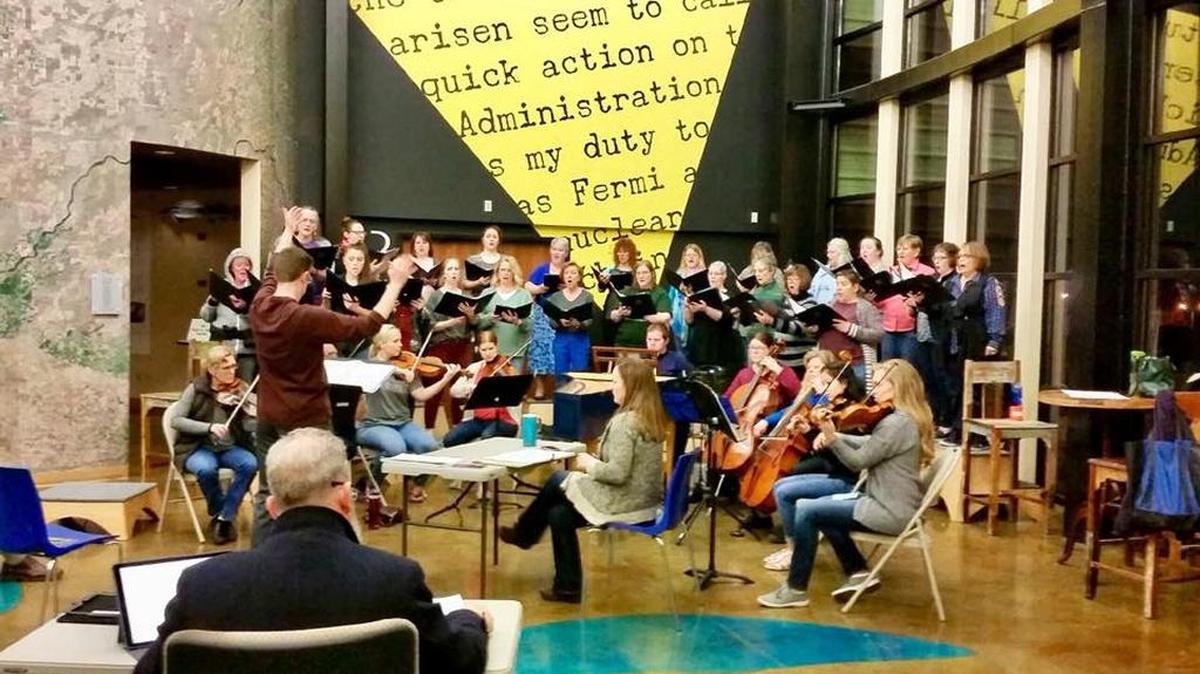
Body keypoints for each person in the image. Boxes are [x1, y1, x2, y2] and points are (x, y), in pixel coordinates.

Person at [132, 428, 490, 674]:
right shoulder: (394, 580)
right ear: (344, 496)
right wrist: (469, 619)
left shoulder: (204, 584)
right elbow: (459, 664)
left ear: (271, 507)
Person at [248, 206, 411, 546]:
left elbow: (271, 269)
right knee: (334, 488)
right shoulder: (305, 316)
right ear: (305, 278)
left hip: (268, 412)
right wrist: (395, 284)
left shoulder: (260, 305)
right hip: (306, 417)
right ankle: (343, 555)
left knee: (268, 490)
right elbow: (367, 325)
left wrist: (287, 232)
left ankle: (262, 558)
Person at [756, 359, 930, 609]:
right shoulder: (900, 419)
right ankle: (857, 570)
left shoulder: (897, 424)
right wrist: (834, 434)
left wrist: (830, 437)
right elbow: (869, 443)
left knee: (807, 509)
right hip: (883, 501)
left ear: (898, 387)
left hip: (889, 511)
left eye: (880, 382)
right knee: (821, 510)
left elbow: (857, 462)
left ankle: (795, 589)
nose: (874, 388)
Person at [498, 360, 668, 603]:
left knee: (558, 478)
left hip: (625, 502)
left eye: (616, 382)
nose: (612, 388)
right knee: (558, 514)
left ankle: (525, 534)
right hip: (644, 502)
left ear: (630, 386)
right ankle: (567, 588)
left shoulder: (626, 422)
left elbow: (617, 473)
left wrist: (590, 463)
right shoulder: (650, 417)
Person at [170, 345, 258, 545]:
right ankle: (221, 511)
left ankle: (224, 518)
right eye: (226, 368)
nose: (232, 372)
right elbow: (176, 420)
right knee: (206, 469)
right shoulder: (197, 388)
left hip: (229, 447)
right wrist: (208, 427)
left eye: (234, 367)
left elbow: (250, 423)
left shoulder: (240, 388)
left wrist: (253, 414)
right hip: (197, 447)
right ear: (212, 369)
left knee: (250, 463)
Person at [356, 325, 459, 459]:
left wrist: (445, 379)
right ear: (381, 344)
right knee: (397, 448)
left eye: (400, 340)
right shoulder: (368, 366)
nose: (401, 345)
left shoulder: (407, 366)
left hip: (403, 423)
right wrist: (396, 370)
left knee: (430, 447)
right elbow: (377, 369)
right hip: (372, 425)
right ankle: (374, 478)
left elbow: (421, 395)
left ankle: (415, 478)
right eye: (395, 341)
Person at [945, 241, 1006, 441]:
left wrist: (994, 340)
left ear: (978, 260)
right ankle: (955, 428)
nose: (961, 260)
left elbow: (996, 311)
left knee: (973, 389)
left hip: (975, 338)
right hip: (953, 338)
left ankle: (975, 435)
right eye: (960, 256)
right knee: (954, 385)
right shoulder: (951, 282)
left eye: (967, 257)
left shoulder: (987, 283)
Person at [419, 258, 477, 429]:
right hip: (440, 345)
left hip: (462, 345)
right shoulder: (436, 296)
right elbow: (429, 326)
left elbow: (474, 324)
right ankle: (429, 429)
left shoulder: (466, 295)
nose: (453, 272)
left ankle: (457, 429)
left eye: (456, 269)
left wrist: (471, 316)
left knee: (459, 389)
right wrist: (452, 322)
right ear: (444, 273)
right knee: (434, 388)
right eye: (450, 269)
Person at [444, 331, 519, 446]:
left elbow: (516, 392)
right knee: (449, 439)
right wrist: (468, 388)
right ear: (477, 350)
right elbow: (453, 391)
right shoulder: (474, 368)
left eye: (491, 349)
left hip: (504, 420)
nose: (488, 353)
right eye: (484, 350)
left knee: (487, 437)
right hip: (478, 420)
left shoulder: (505, 367)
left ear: (496, 347)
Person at [199, 247, 257, 382]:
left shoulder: (256, 289)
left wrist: (246, 308)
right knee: (219, 384)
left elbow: (264, 318)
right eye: (239, 265)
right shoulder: (222, 287)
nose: (243, 268)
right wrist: (213, 301)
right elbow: (205, 316)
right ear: (231, 268)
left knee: (245, 384)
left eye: (247, 265)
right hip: (222, 347)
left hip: (246, 350)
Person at [876, 234, 935, 363]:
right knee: (887, 367)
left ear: (917, 251)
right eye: (898, 249)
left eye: (905, 249)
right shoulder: (890, 272)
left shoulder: (927, 272)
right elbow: (880, 302)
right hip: (888, 328)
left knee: (907, 368)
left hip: (911, 329)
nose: (900, 252)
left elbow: (931, 301)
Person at [818, 271, 882, 382]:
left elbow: (879, 334)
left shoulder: (865, 307)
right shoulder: (831, 303)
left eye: (843, 284)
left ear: (855, 287)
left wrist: (851, 329)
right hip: (829, 362)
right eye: (837, 284)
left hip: (854, 364)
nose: (839, 288)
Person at [684, 261, 741, 382]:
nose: (713, 277)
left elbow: (725, 319)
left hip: (720, 347)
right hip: (700, 346)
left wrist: (705, 309)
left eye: (716, 274)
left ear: (724, 276)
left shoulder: (731, 296)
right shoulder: (700, 294)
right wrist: (687, 306)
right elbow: (689, 321)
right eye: (710, 274)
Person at [755, 263, 818, 372]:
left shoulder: (810, 303)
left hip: (800, 362)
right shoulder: (786, 302)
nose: (791, 282)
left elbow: (800, 328)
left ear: (804, 281)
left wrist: (772, 321)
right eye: (789, 279)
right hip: (781, 361)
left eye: (796, 279)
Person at [475, 255, 532, 372]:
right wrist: (489, 318)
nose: (506, 273)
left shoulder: (524, 295)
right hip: (490, 352)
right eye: (503, 270)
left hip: (515, 352)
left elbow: (532, 324)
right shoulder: (487, 293)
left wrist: (518, 321)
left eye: (509, 270)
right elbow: (476, 322)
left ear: (514, 273)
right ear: (497, 272)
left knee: (512, 387)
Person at [526, 237, 571, 382]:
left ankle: (561, 384)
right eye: (554, 249)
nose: (557, 253)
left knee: (560, 350)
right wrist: (540, 288)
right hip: (543, 316)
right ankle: (540, 386)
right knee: (539, 349)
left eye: (561, 250)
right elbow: (527, 286)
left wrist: (568, 288)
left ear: (566, 253)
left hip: (565, 314)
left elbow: (580, 288)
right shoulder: (541, 269)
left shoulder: (570, 269)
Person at [606, 260, 671, 348]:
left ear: (652, 274)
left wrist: (638, 313)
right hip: (624, 342)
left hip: (648, 344)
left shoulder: (659, 293)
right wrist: (619, 313)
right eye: (638, 273)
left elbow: (665, 316)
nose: (641, 276)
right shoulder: (627, 291)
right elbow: (613, 316)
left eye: (645, 273)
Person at [545, 262, 595, 373]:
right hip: (560, 339)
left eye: (573, 273)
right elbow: (549, 319)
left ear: (579, 277)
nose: (569, 276)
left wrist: (580, 324)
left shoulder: (587, 296)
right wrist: (559, 321)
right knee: (560, 374)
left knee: (579, 373)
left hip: (579, 339)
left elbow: (590, 319)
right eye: (566, 273)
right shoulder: (555, 297)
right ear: (563, 277)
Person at [668, 243, 707, 348]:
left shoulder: (705, 276)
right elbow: (671, 298)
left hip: (696, 316)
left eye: (694, 255)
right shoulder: (679, 274)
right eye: (688, 255)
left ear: (699, 257)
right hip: (677, 316)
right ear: (684, 258)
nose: (690, 258)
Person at [811, 238, 851, 305]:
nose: (828, 255)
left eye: (832, 252)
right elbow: (812, 290)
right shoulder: (822, 270)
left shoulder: (849, 272)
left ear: (842, 253)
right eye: (828, 252)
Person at [463, 225, 503, 293]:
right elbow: (463, 283)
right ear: (482, 239)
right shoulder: (472, 260)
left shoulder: (506, 260)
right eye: (488, 236)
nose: (491, 239)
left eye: (495, 237)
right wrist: (478, 282)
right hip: (476, 297)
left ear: (499, 240)